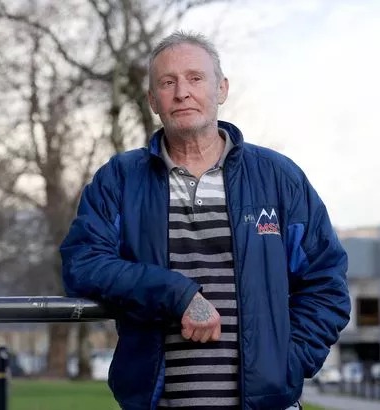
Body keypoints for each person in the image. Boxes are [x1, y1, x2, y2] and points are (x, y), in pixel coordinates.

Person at [60, 30, 350, 410]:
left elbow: (326, 282)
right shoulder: (120, 179)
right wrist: (176, 294)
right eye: (167, 82)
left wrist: (286, 364)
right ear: (152, 100)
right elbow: (83, 264)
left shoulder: (278, 178)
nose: (182, 92)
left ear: (222, 89)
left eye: (195, 78)